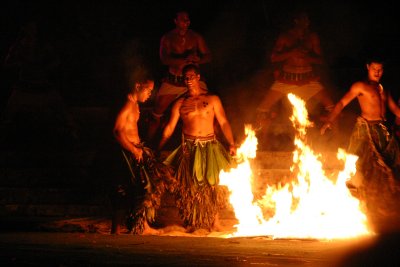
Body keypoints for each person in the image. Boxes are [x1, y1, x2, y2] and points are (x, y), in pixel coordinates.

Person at [321, 57, 400, 233]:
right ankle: (345, 199)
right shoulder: (360, 86)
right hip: (365, 129)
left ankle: (383, 207)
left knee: (388, 166)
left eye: (380, 69)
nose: (377, 72)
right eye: (374, 69)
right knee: (356, 163)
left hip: (382, 129)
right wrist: (329, 121)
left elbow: (394, 109)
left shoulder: (383, 89)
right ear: (367, 68)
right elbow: (342, 102)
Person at [158, 64, 236, 232]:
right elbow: (170, 128)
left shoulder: (213, 99)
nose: (188, 80)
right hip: (189, 147)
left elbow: (223, 122)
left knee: (213, 183)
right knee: (190, 185)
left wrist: (231, 142)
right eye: (186, 78)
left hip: (210, 146)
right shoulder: (180, 103)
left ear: (198, 77)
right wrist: (159, 145)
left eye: (191, 77)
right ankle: (191, 222)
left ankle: (215, 222)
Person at [256, 11, 334, 148]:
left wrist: (307, 57)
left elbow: (321, 59)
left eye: (308, 21)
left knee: (333, 108)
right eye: (304, 20)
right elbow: (274, 57)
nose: (307, 23)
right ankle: (263, 141)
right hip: (287, 79)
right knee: (263, 109)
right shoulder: (285, 37)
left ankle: (335, 141)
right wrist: (291, 52)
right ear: (296, 21)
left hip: (308, 79)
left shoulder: (312, 37)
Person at [112, 69, 176, 235]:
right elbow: (117, 131)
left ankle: (137, 226)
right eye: (147, 90)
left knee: (141, 188)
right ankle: (122, 228)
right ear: (137, 85)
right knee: (138, 188)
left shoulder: (135, 104)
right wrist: (133, 149)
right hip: (129, 150)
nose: (149, 93)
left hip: (136, 149)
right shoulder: (127, 104)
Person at [147, 10, 212, 145]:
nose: (186, 23)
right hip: (174, 81)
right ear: (175, 21)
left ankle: (214, 143)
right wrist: (183, 60)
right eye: (183, 20)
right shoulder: (168, 38)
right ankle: (147, 145)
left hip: (194, 81)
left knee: (211, 106)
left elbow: (208, 56)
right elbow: (164, 59)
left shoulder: (196, 37)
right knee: (156, 114)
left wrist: (197, 60)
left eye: (188, 20)